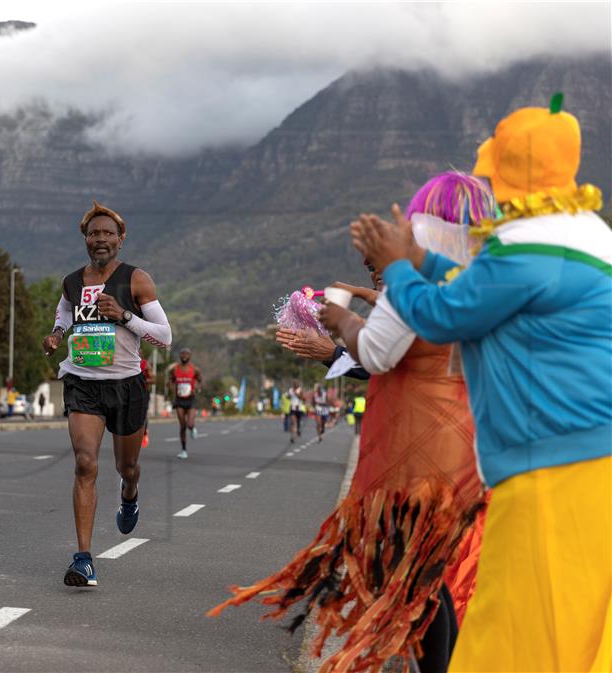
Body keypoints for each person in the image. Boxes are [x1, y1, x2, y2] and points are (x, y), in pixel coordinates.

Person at [352, 99, 611, 672]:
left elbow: (445, 316)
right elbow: (481, 290)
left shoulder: (524, 248)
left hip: (549, 467)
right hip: (588, 459)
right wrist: (422, 262)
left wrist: (396, 266)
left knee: (517, 628)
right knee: (579, 624)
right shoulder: (582, 236)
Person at [210, 172, 495, 673]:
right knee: (428, 579)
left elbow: (382, 351)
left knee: (415, 581)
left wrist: (335, 326)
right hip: (462, 448)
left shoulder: (415, 284)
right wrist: (367, 299)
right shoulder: (477, 278)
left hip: (418, 451)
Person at [43, 199, 172, 588]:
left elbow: (165, 337)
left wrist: (125, 316)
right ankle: (83, 558)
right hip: (82, 384)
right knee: (85, 463)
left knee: (126, 468)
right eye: (94, 233)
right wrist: (56, 337)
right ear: (85, 239)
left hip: (126, 385)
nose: (101, 239)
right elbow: (63, 318)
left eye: (108, 234)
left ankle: (129, 494)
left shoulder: (136, 280)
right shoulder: (71, 282)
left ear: (120, 240)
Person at [169, 348, 202, 459]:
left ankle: (192, 428)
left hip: (190, 399)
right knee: (182, 426)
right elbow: (170, 381)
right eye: (182, 353)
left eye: (186, 354)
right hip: (179, 400)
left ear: (190, 356)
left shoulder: (195, 369)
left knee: (190, 424)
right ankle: (183, 450)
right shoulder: (175, 369)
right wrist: (172, 388)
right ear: (180, 356)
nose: (184, 355)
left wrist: (197, 388)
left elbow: (200, 380)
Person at [139, 353, 153, 448]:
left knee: (143, 414)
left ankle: (144, 433)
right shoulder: (126, 363)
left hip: (143, 392)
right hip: (129, 392)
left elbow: (153, 379)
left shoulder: (145, 364)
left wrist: (142, 380)